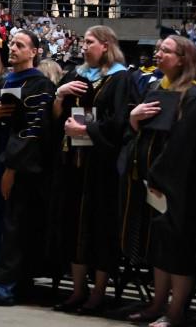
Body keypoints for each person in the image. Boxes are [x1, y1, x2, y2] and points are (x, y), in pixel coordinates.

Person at [121, 34, 196, 327]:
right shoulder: (157, 88)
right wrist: (134, 119)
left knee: (178, 249)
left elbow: (182, 146)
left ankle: (175, 312)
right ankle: (157, 303)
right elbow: (143, 131)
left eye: (166, 51)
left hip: (178, 184)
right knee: (159, 247)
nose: (158, 54)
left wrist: (158, 176)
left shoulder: (194, 94)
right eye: (159, 50)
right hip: (153, 182)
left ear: (183, 58)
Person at [49, 25, 139, 315]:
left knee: (99, 228)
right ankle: (77, 291)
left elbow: (119, 122)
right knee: (72, 223)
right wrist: (59, 94)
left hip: (101, 166)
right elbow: (56, 118)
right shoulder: (75, 75)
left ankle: (98, 293)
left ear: (106, 45)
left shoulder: (120, 78)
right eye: (83, 42)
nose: (83, 47)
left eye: (89, 42)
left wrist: (85, 128)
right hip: (72, 162)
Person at [0, 31, 57, 307]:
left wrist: (12, 168)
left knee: (17, 226)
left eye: (20, 45)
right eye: (12, 44)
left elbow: (33, 130)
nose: (13, 49)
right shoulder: (5, 81)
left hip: (22, 168)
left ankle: (6, 286)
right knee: (4, 224)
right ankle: (5, 279)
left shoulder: (40, 85)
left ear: (34, 52)